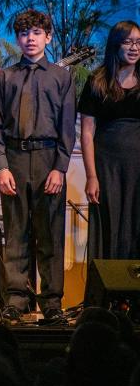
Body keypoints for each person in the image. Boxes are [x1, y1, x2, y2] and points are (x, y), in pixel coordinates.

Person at [0, 9, 75, 322]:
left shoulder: (61, 77)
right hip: (14, 159)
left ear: (48, 37)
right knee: (15, 233)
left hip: (47, 159)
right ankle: (16, 297)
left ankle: (51, 302)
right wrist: (0, 166)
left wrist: (60, 167)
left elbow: (68, 126)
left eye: (37, 33)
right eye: (24, 34)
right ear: (17, 38)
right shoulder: (5, 77)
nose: (30, 39)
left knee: (50, 233)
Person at [79, 20, 140, 259]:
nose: (134, 47)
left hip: (137, 167)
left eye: (138, 42)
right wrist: (91, 176)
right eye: (128, 42)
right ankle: (107, 294)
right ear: (116, 45)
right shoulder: (97, 81)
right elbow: (86, 133)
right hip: (108, 167)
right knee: (109, 224)